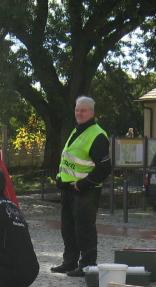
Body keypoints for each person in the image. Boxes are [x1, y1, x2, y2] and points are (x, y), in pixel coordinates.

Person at [51, 96, 111, 277]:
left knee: (84, 229)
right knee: (68, 228)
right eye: (77, 109)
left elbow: (104, 167)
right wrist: (60, 178)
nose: (79, 113)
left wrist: (84, 184)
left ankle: (87, 265)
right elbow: (70, 159)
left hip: (86, 191)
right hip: (69, 189)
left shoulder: (97, 135)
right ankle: (69, 262)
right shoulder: (77, 130)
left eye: (83, 110)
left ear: (92, 112)